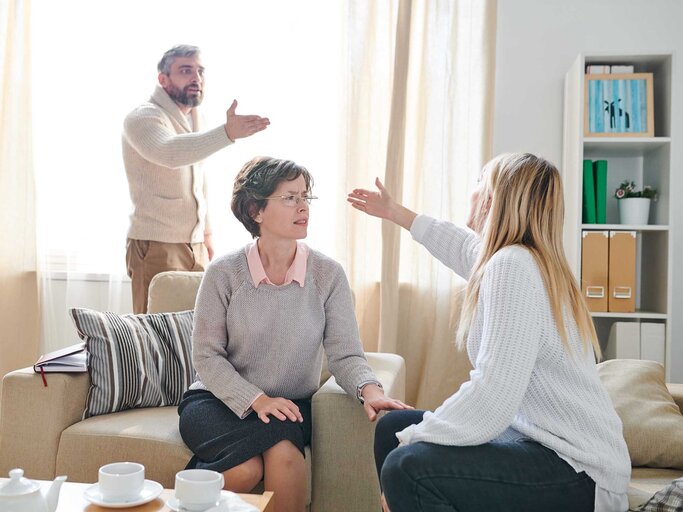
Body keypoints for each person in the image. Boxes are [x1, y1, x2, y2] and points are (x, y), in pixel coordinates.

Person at [347, 152, 631, 512]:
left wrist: (416, 439)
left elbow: (493, 396)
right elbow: (458, 245)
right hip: (540, 443)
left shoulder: (513, 266)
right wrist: (395, 212)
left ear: (494, 199)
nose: (473, 189)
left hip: (579, 471)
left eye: (480, 180)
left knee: (406, 466)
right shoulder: (517, 260)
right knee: (393, 427)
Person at [178, 156, 412, 512]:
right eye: (290, 198)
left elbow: (346, 354)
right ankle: (174, 500)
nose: (303, 207)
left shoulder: (327, 274)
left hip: (291, 408)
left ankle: (188, 490)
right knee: (244, 470)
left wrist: (370, 390)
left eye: (306, 197)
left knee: (284, 456)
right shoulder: (223, 273)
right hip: (219, 402)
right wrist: (258, 400)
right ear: (255, 210)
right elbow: (207, 357)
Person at [123, 44, 270, 314]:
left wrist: (207, 233)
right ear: (163, 79)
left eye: (200, 71)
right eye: (186, 70)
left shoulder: (195, 118)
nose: (196, 78)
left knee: (195, 330)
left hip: (196, 246)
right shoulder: (143, 117)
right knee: (153, 335)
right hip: (156, 245)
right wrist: (226, 133)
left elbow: (198, 181)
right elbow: (170, 153)